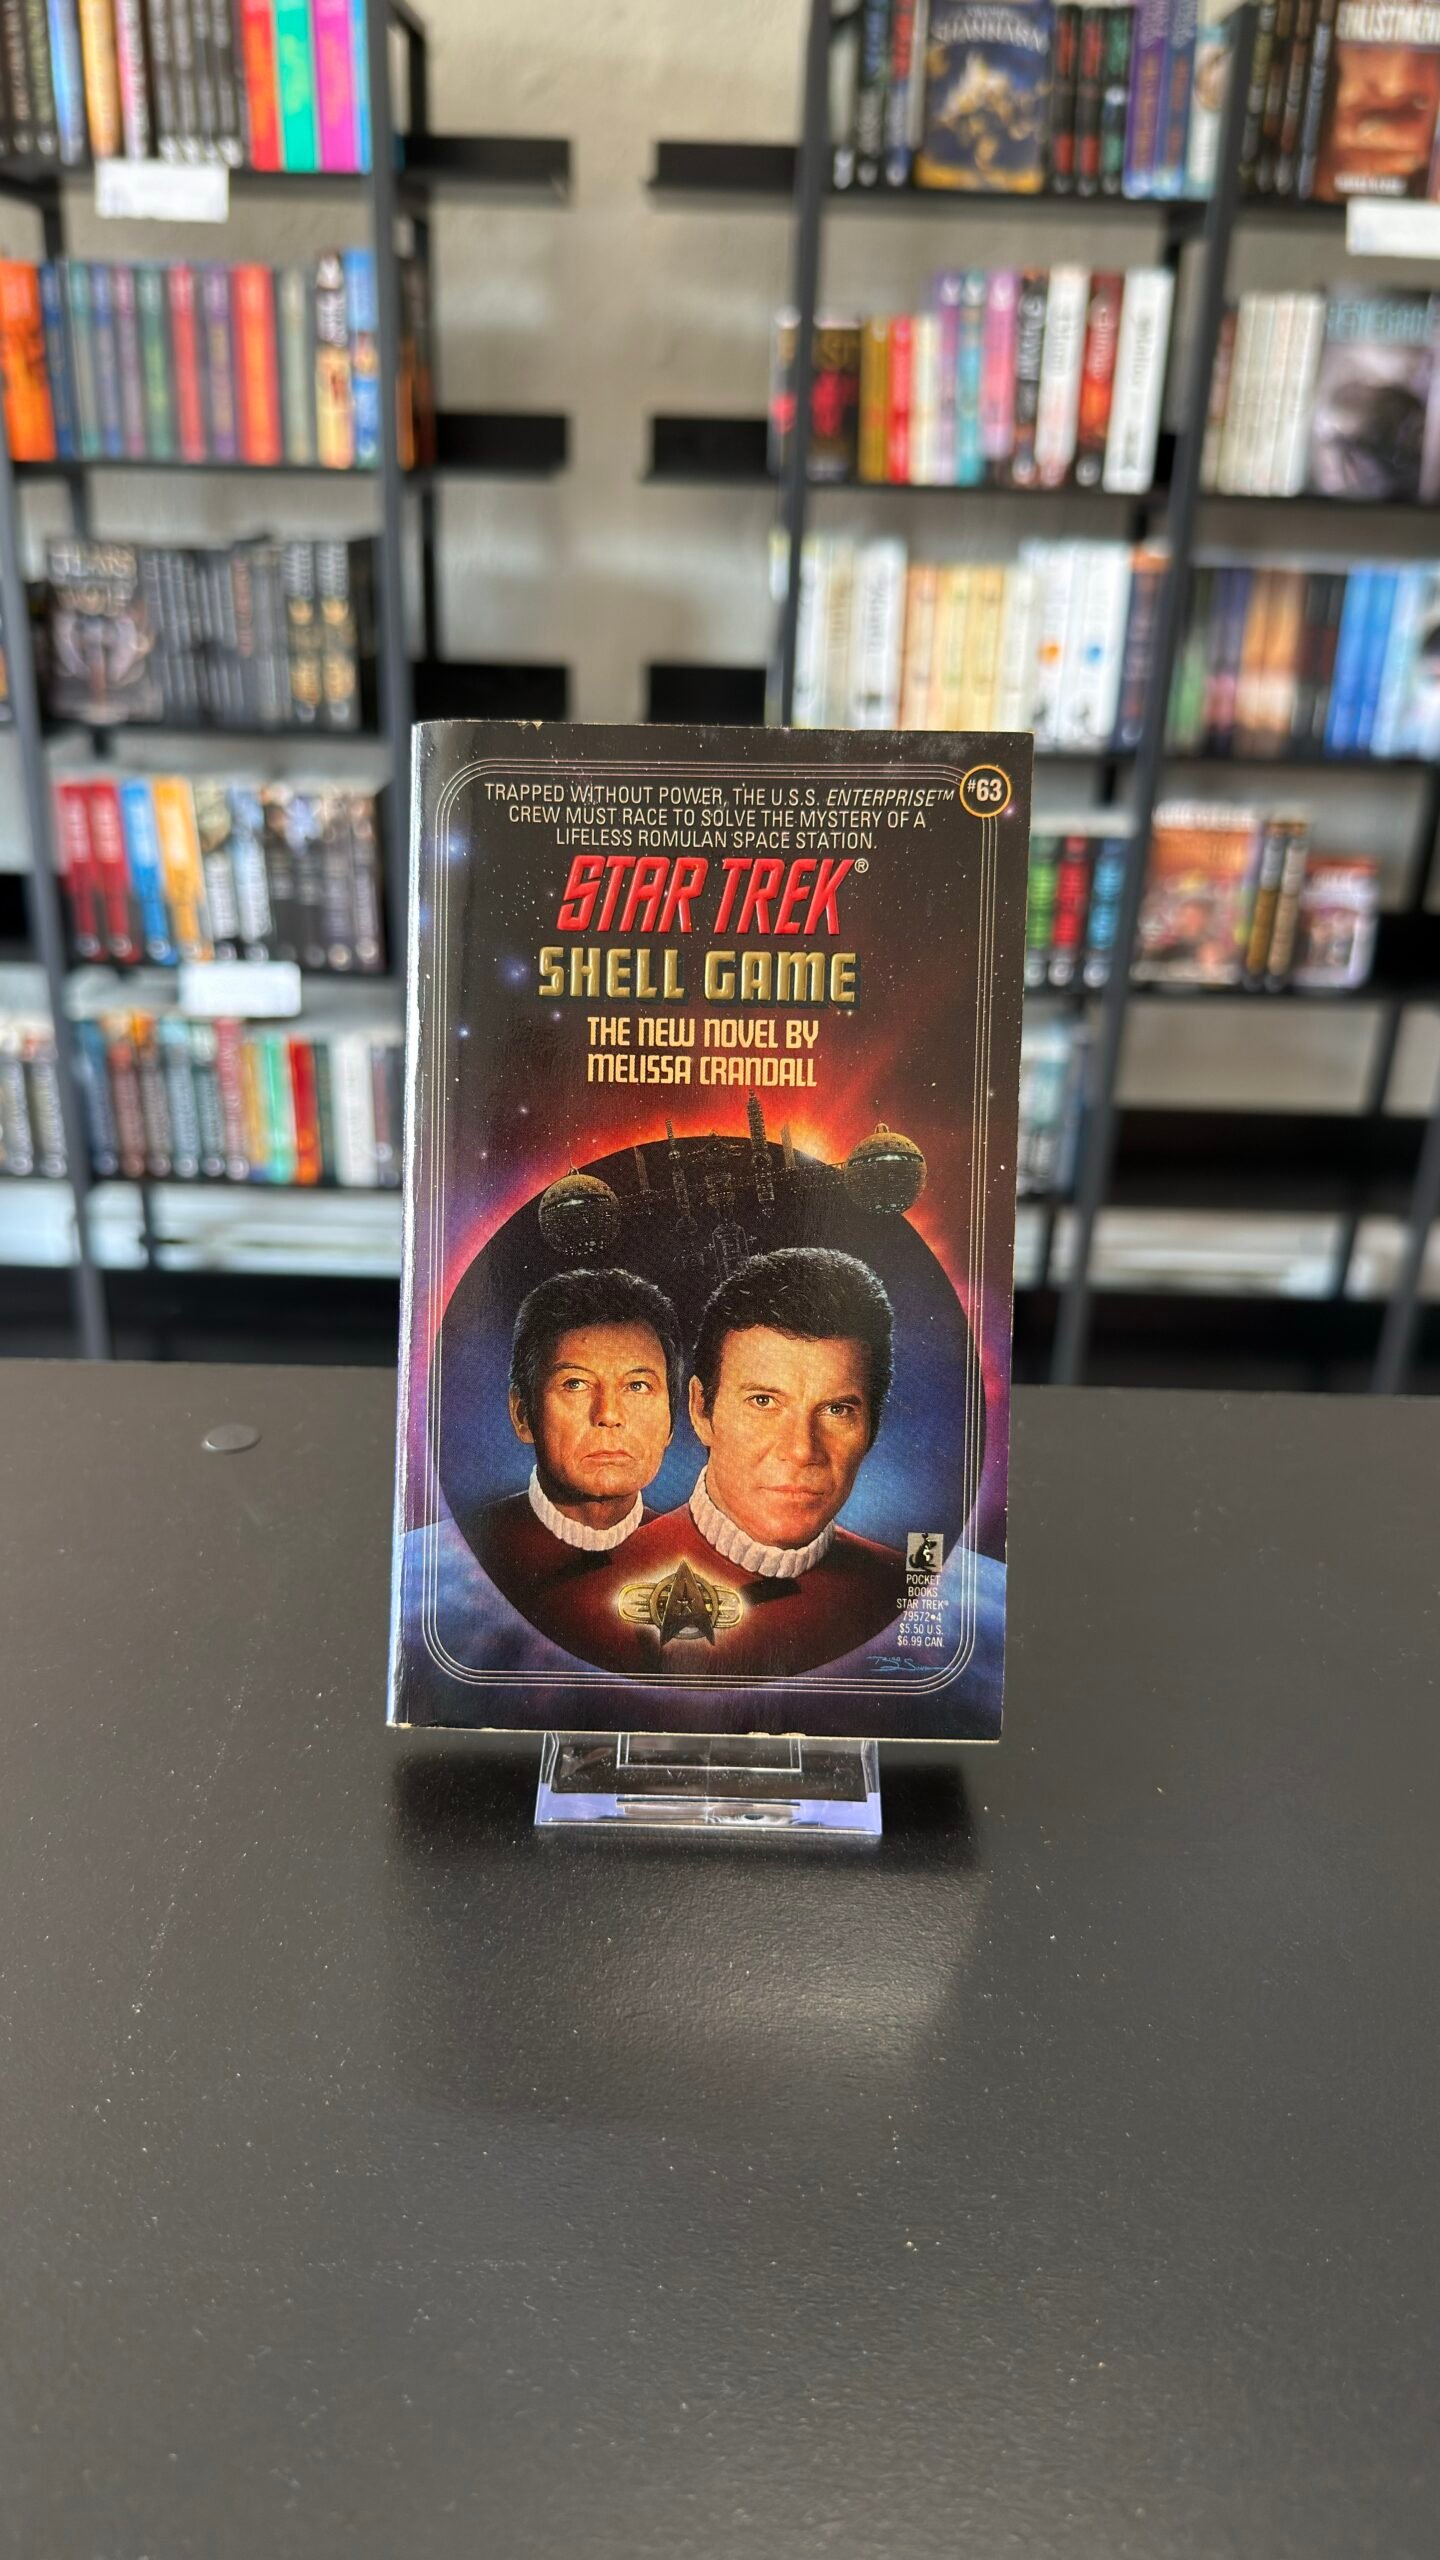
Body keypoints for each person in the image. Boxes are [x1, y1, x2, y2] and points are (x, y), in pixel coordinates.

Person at [583, 1247, 907, 1679]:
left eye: (836, 1410)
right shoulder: (592, 1598)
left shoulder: (910, 1590)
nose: (801, 1450)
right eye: (763, 1401)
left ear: (872, 1428)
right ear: (702, 1411)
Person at [459, 1267, 682, 1647]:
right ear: (523, 1414)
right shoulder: (454, 1557)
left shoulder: (699, 1559)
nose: (608, 1414)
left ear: (672, 1420)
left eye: (637, 1386)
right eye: (575, 1384)